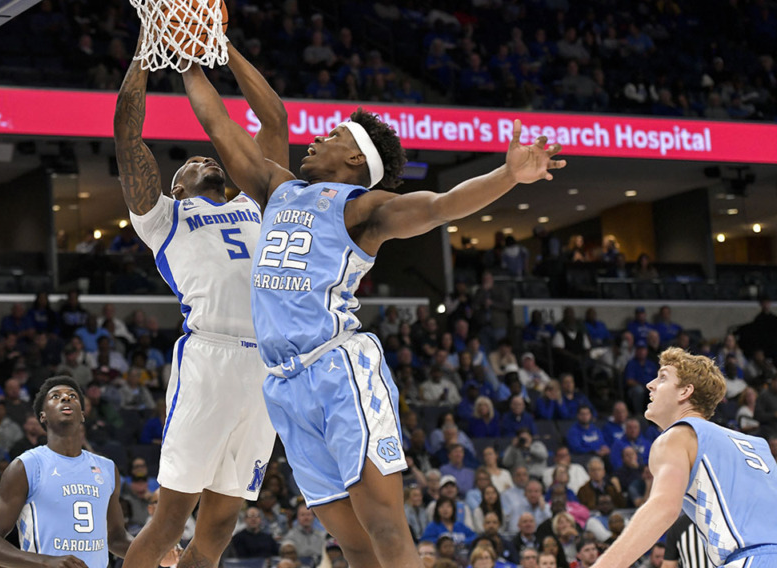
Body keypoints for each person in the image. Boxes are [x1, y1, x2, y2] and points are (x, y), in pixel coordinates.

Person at [184, 46, 565, 567]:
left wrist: (507, 177)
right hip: (282, 382)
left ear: (356, 160)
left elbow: (439, 206)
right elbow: (219, 126)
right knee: (353, 541)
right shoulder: (278, 188)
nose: (316, 140)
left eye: (333, 136)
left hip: (337, 368)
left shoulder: (364, 210)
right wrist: (190, 62)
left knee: (384, 523)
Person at [115, 33, 288, 568]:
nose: (203, 159)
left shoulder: (260, 197)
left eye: (206, 157)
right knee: (170, 520)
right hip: (210, 358)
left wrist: (221, 45)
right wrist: (147, 55)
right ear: (177, 185)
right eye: (190, 162)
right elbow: (128, 137)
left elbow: (275, 122)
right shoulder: (164, 217)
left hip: (268, 364)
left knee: (218, 526)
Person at [595, 348, 777, 568]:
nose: (649, 384)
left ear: (685, 392)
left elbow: (663, 508)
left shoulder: (678, 435)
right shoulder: (756, 445)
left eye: (662, 377)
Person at [0, 376, 132, 568]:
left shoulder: (107, 468)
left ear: (82, 414)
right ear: (43, 416)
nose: (66, 398)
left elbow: (116, 538)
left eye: (72, 396)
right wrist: (46, 562)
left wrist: (155, 549)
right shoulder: (26, 466)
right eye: (56, 396)